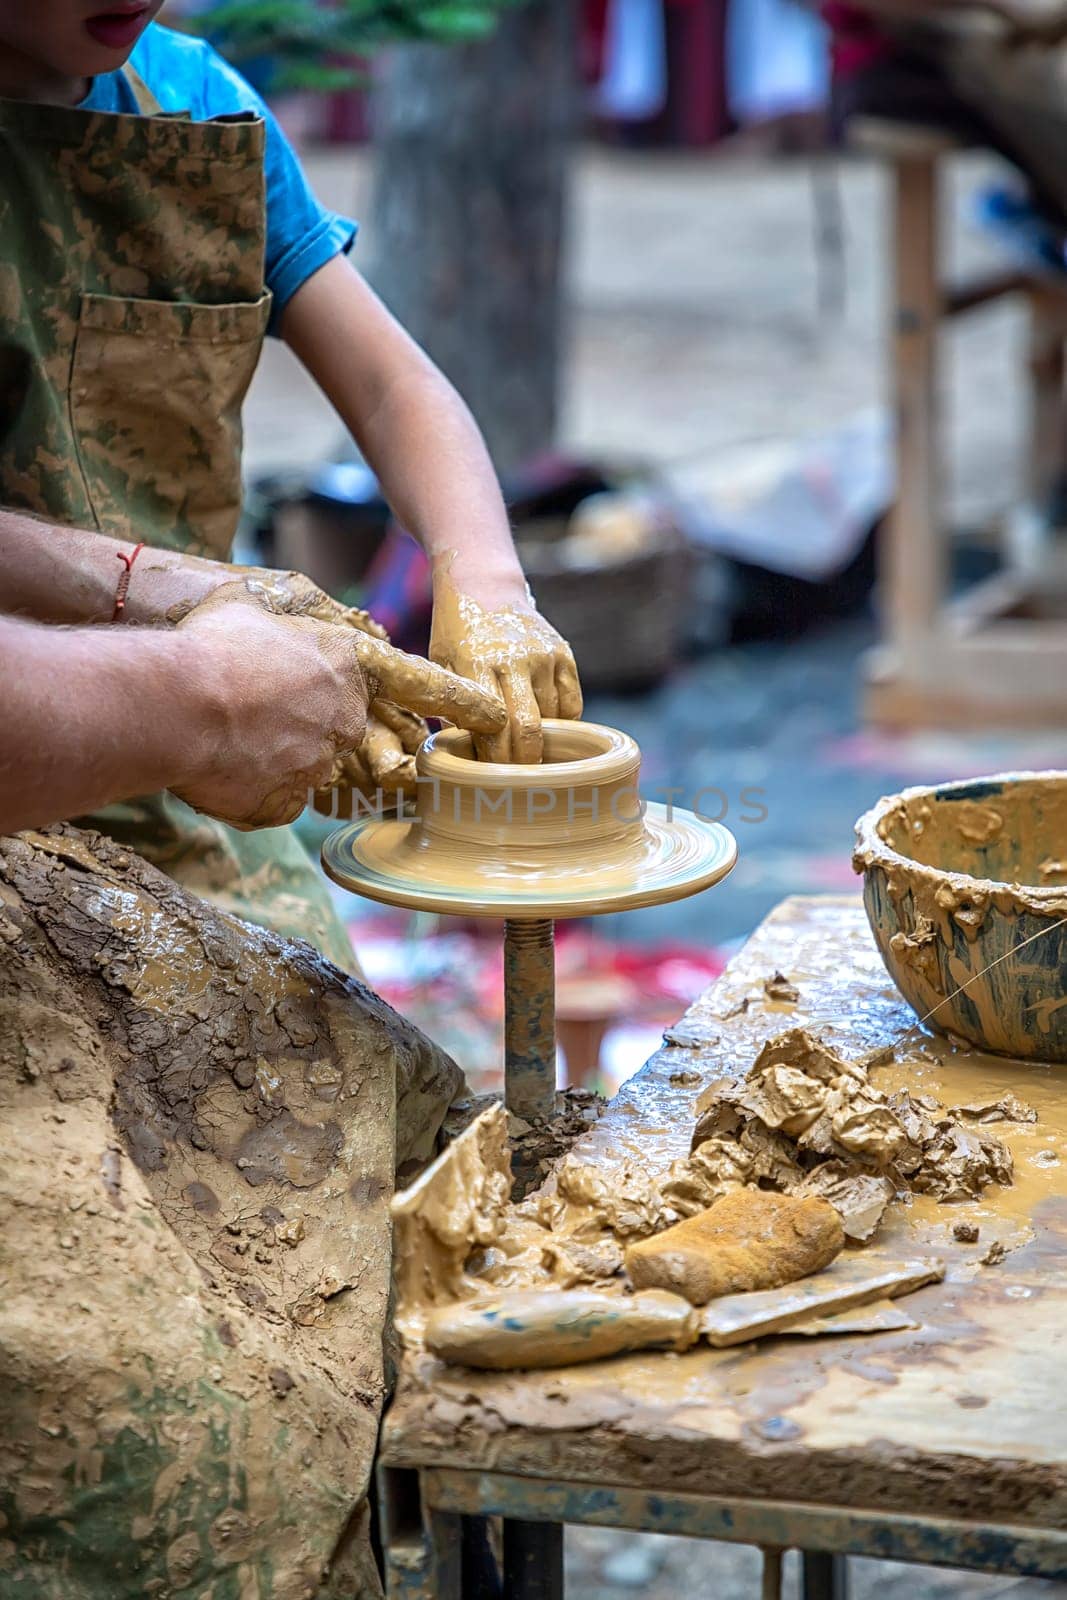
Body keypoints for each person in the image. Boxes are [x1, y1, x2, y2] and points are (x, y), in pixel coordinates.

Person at [0, 0, 583, 971]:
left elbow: (396, 387)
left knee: (377, 1075)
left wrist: (487, 586)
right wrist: (205, 685)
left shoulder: (200, 110)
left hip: (214, 773)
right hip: (39, 775)